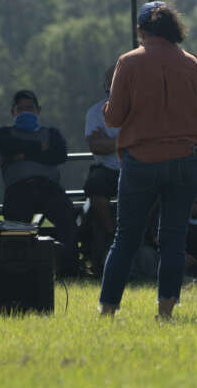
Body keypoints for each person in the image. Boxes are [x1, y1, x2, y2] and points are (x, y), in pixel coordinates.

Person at [98, 1, 197, 319]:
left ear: (141, 30)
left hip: (142, 160)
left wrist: (106, 109)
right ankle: (165, 311)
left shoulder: (128, 62)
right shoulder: (194, 64)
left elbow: (113, 118)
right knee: (174, 237)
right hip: (188, 161)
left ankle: (108, 310)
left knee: (126, 237)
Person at [0, 89, 81, 277]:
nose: (26, 112)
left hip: (48, 187)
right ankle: (18, 274)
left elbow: (58, 155)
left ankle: (70, 271)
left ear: (38, 110)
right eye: (21, 109)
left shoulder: (52, 133)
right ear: (13, 112)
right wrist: (39, 149)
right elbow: (6, 147)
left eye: (30, 108)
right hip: (18, 188)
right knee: (16, 229)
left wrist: (22, 155)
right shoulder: (4, 133)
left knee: (67, 219)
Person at [82, 67, 121, 275]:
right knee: (94, 186)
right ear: (105, 86)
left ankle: (145, 234)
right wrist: (127, 140)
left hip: (136, 166)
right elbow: (96, 146)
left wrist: (111, 142)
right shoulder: (95, 112)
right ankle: (110, 233)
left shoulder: (143, 110)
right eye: (112, 81)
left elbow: (150, 142)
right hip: (107, 169)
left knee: (159, 186)